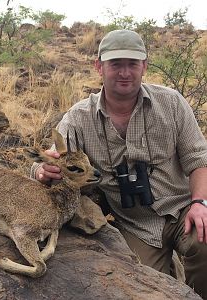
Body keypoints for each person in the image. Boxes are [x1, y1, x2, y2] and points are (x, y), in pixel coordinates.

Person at [31, 29, 207, 298]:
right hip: (134, 225)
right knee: (145, 290)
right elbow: (52, 159)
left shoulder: (171, 103)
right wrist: (43, 170)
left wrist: (199, 204)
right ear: (99, 67)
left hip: (182, 208)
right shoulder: (79, 117)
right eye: (116, 64)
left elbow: (199, 161)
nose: (125, 72)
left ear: (144, 66)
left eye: (132, 64)